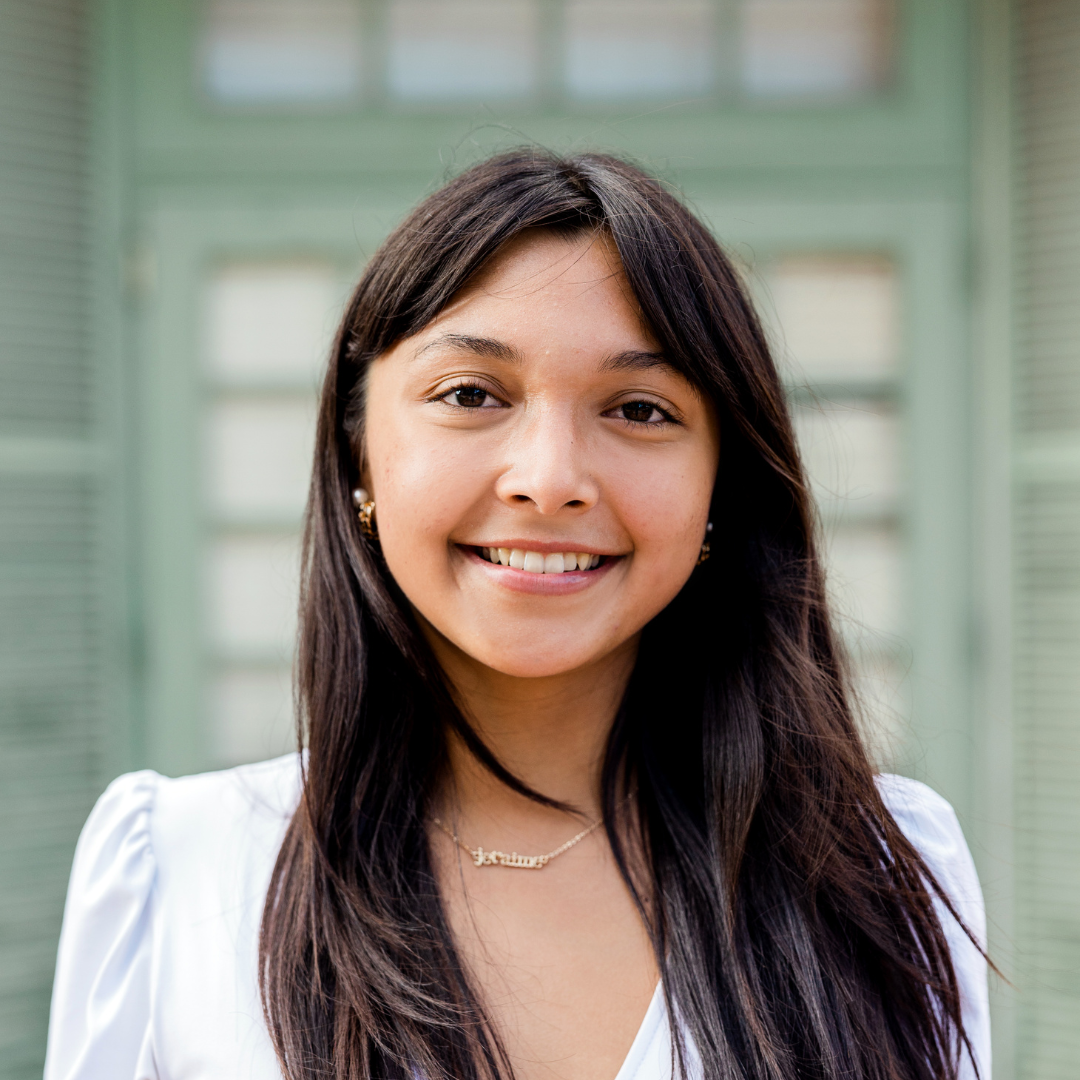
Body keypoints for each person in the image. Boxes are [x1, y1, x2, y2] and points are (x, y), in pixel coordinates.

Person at [44, 151, 990, 1080]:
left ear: (721, 488)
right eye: (470, 395)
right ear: (360, 456)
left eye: (639, 409)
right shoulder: (176, 876)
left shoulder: (883, 875)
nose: (548, 481)